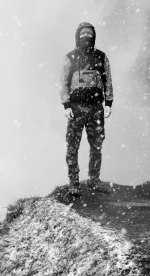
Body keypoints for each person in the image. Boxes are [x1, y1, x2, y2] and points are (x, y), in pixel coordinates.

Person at [59, 22, 113, 196]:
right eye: (83, 34)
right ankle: (74, 183)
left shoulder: (101, 57)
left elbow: (108, 81)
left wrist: (108, 103)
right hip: (75, 108)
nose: (86, 37)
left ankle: (94, 180)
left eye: (89, 33)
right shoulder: (70, 58)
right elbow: (63, 83)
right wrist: (66, 105)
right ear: (77, 36)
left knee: (96, 145)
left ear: (94, 36)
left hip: (96, 108)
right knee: (73, 146)